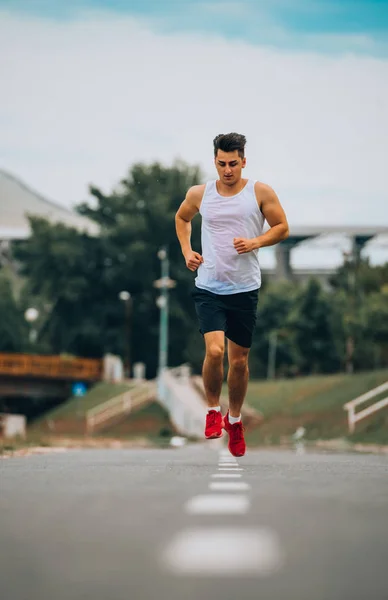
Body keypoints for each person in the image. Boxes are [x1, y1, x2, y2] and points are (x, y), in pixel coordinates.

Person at [175, 133, 289, 456]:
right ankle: (213, 412)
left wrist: (255, 242)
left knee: (239, 362)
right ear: (215, 161)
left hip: (244, 289)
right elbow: (182, 218)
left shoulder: (259, 192)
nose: (228, 170)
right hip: (209, 286)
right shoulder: (200, 194)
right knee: (214, 352)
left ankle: (235, 420)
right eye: (222, 164)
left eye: (233, 164)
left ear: (243, 161)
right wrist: (187, 251)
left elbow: (282, 227)